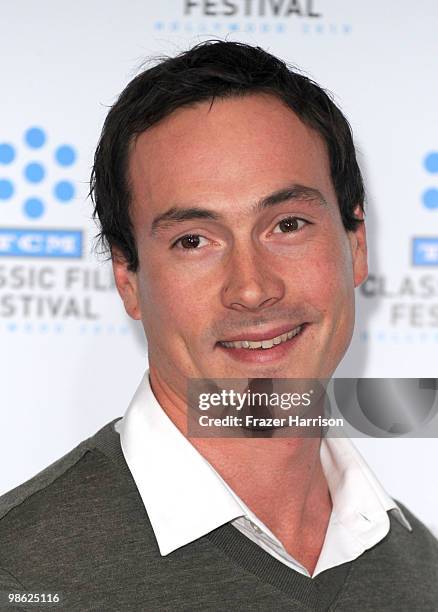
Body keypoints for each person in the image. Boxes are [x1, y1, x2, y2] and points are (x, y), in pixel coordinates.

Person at [1, 40, 437, 611]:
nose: (252, 288)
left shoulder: (419, 569)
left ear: (357, 244)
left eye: (288, 224)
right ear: (128, 277)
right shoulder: (20, 574)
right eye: (193, 240)